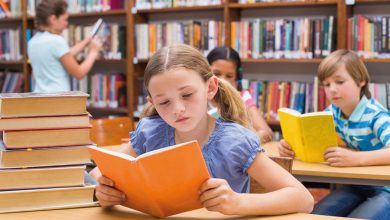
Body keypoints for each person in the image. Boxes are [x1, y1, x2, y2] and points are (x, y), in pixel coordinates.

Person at [90, 44, 313, 216]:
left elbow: (303, 198)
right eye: (164, 102)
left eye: (187, 95)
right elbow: (98, 173)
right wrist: (102, 190)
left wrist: (237, 202)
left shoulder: (235, 141)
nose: (178, 109)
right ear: (151, 101)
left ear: (211, 88)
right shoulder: (151, 132)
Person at [278, 49, 390, 219]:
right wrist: (290, 147)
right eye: (327, 84)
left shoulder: (376, 115)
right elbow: (314, 142)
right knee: (316, 215)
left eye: (339, 81)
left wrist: (356, 159)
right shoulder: (332, 112)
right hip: (357, 184)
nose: (332, 90)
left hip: (386, 189)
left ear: (361, 81)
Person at [28, 0, 102, 93]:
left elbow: (62, 56)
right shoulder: (57, 41)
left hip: (40, 97)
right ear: (53, 19)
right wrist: (93, 52)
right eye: (65, 19)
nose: (67, 23)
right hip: (58, 99)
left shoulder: (33, 42)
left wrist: (85, 42)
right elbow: (79, 73)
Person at [207, 47, 273, 143]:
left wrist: (243, 142)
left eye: (229, 76)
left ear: (238, 76)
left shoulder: (243, 96)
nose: (222, 80)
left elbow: (266, 132)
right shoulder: (198, 95)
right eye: (217, 73)